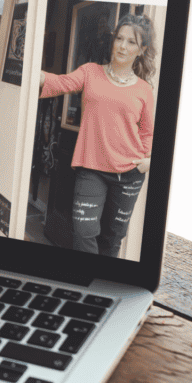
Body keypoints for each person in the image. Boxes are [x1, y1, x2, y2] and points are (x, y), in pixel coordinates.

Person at [40, 13, 156, 256]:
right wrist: (30, 72)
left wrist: (147, 160)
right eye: (119, 38)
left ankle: (103, 287)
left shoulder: (144, 90)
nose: (123, 46)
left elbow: (147, 131)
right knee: (84, 231)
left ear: (141, 49)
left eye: (131, 42)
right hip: (92, 168)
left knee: (113, 237)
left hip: (130, 172)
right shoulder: (91, 72)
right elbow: (61, 83)